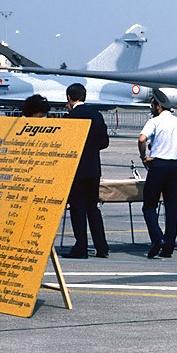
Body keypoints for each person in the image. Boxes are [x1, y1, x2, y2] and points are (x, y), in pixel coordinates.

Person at [137, 96, 177, 258]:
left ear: (158, 106)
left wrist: (143, 156)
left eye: (152, 105)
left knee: (149, 205)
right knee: (172, 207)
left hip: (158, 165)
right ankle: (169, 246)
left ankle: (157, 237)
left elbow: (142, 139)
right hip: (174, 166)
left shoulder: (155, 121)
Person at [64, 83, 110, 258]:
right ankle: (102, 247)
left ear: (69, 97)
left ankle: (81, 247)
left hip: (77, 169)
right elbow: (104, 142)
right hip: (93, 167)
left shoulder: (70, 118)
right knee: (93, 208)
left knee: (77, 208)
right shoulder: (96, 115)